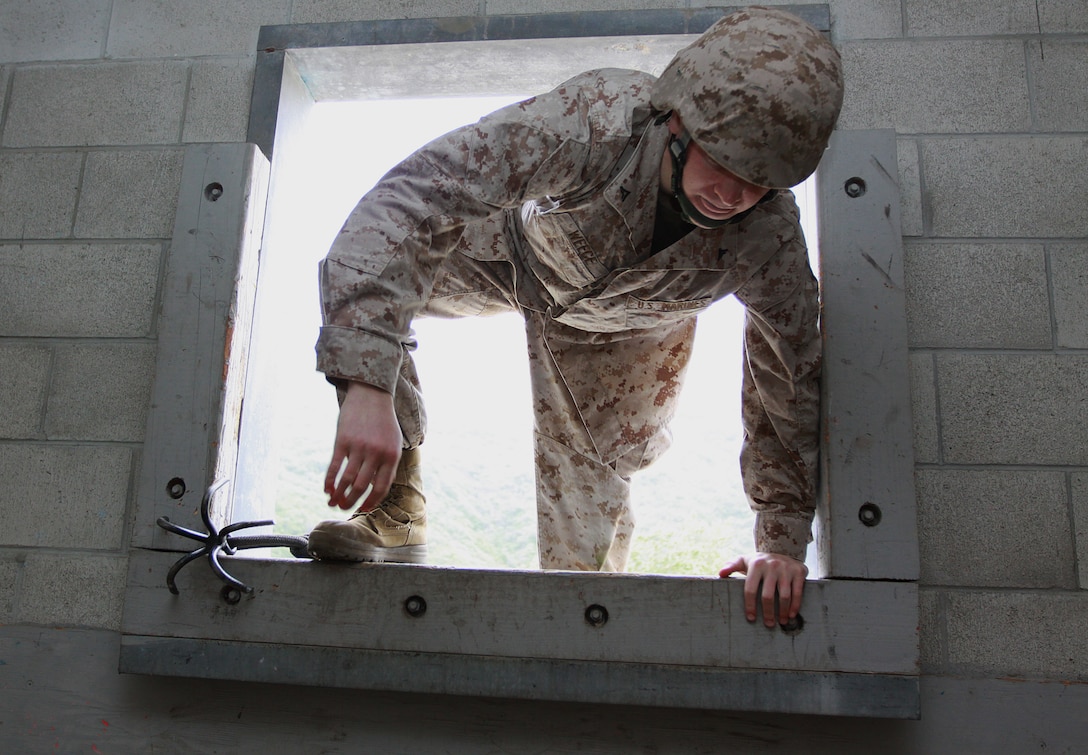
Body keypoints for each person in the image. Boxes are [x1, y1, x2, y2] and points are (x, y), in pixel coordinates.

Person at [306, 6, 844, 628]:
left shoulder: (769, 241)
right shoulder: (597, 121)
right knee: (372, 275)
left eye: (758, 181)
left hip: (624, 336)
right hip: (511, 252)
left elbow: (788, 378)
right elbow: (415, 196)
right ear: (678, 121)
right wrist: (368, 384)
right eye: (720, 161)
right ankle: (396, 513)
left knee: (579, 571)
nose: (730, 194)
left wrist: (780, 541)